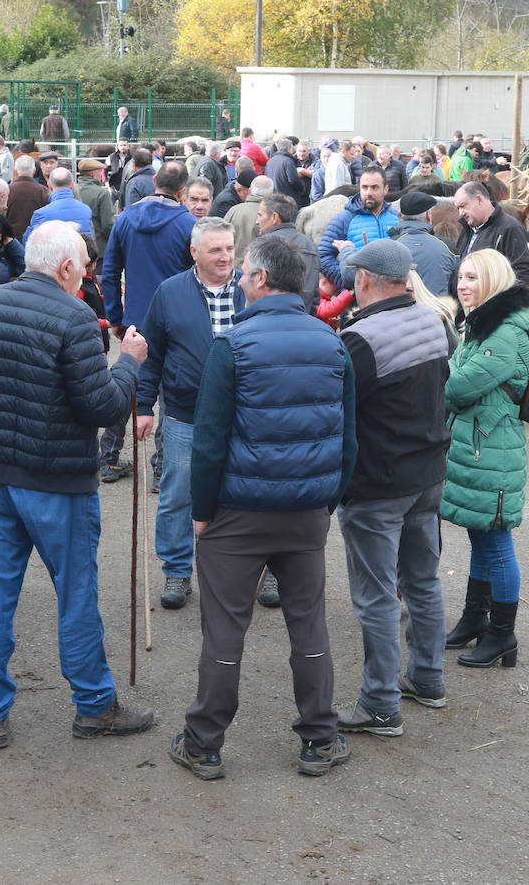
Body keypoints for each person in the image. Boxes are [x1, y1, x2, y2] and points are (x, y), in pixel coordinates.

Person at [0, 220, 156, 749]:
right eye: (83, 266)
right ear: (64, 268)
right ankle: (95, 705)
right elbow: (102, 405)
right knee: (76, 595)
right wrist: (129, 364)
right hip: (55, 480)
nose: (87, 275)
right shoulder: (74, 314)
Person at [170, 237, 357, 781]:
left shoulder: (233, 346)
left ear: (258, 280)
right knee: (309, 625)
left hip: (239, 512)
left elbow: (209, 440)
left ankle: (204, 742)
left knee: (226, 629)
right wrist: (328, 500)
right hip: (305, 512)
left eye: (244, 272)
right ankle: (320, 737)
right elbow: (347, 439)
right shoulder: (332, 343)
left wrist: (201, 511)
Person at [331, 240, 452, 737]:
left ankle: (380, 703)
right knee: (422, 581)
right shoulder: (437, 322)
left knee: (377, 595)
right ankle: (428, 678)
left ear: (362, 281)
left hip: (378, 485)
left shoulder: (360, 339)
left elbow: (338, 410)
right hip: (428, 477)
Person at [136, 216, 244, 611]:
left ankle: (253, 570)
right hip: (184, 413)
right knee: (178, 493)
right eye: (215, 249)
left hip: (244, 413)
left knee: (244, 493)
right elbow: (151, 354)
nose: (225, 257)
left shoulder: (252, 288)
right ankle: (177, 569)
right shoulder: (170, 292)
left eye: (230, 248)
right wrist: (144, 406)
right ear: (194, 251)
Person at [440, 249, 529, 670]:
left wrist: (434, 372)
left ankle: (502, 634)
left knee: (496, 543)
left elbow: (457, 386)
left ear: (494, 281)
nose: (464, 286)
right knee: (481, 535)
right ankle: (475, 618)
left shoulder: (503, 332)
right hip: (482, 447)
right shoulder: (481, 325)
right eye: (461, 277)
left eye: (473, 278)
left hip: (494, 452)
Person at [99, 161, 196, 484]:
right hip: (176, 321)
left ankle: (108, 457)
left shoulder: (125, 218)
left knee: (126, 385)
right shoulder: (187, 224)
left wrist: (115, 316)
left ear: (154, 181)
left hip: (136, 320)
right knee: (171, 394)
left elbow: (110, 272)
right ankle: (162, 470)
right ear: (182, 191)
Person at [318, 167, 400, 288]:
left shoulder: (395, 217)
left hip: (392, 296)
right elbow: (323, 256)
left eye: (374, 187)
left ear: (385, 189)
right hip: (358, 302)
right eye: (364, 187)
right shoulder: (344, 219)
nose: (368, 192)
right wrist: (348, 281)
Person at [452, 181, 529, 287]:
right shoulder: (467, 229)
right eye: (458, 208)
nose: (460, 213)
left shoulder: (510, 228)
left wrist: (499, 301)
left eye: (463, 206)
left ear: (479, 200)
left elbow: (524, 273)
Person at [254, 192, 318, 313]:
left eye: (260, 215)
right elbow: (313, 295)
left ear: (274, 217)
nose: (257, 221)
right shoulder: (309, 245)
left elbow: (255, 290)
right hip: (304, 321)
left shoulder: (262, 246)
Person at [389, 191, 459, 302]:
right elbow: (457, 284)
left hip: (402, 315)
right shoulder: (448, 247)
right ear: (428, 216)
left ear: (399, 215)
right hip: (439, 315)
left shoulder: (389, 247)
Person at [21, 167, 92, 246]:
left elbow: (28, 244)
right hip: (80, 256)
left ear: (49, 185)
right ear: (72, 186)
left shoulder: (41, 214)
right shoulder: (86, 210)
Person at [75, 158, 115, 257]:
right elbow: (108, 225)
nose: (102, 175)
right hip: (98, 248)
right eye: (100, 172)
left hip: (76, 247)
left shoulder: (72, 190)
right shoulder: (102, 193)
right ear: (93, 174)